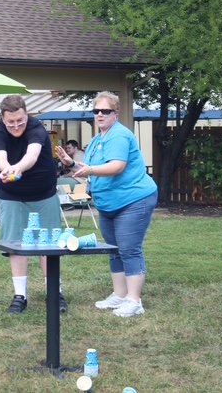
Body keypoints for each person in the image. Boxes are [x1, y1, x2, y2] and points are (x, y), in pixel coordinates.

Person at [56, 91, 157, 318]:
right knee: (113, 249)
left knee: (129, 248)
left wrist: (89, 169)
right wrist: (71, 163)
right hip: (109, 204)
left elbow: (117, 166)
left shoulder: (119, 136)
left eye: (105, 111)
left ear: (116, 113)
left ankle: (134, 301)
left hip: (133, 200)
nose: (100, 115)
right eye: (96, 111)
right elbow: (89, 168)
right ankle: (120, 295)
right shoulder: (97, 139)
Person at [0, 95, 67, 314]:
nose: (16, 126)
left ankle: (54, 293)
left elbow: (31, 156)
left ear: (27, 114)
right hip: (12, 194)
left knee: (49, 244)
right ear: (3, 120)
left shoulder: (37, 128)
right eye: (11, 122)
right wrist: (6, 169)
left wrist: (17, 169)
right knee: (16, 245)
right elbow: (0, 158)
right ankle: (19, 296)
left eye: (20, 121)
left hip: (43, 193)